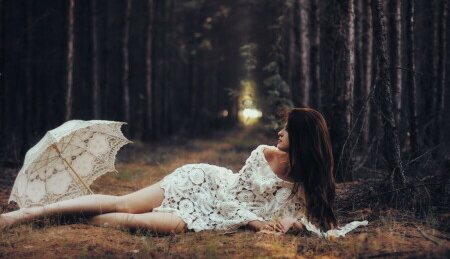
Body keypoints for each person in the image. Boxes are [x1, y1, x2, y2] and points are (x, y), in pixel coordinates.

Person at [0, 108, 336, 235]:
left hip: (214, 219)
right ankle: (26, 215)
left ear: (303, 140)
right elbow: (233, 196)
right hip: (202, 185)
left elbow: (312, 221)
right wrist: (254, 221)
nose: (280, 133)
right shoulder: (264, 154)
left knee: (141, 224)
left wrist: (292, 223)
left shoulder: (309, 182)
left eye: (287, 130)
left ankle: (66, 216)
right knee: (126, 204)